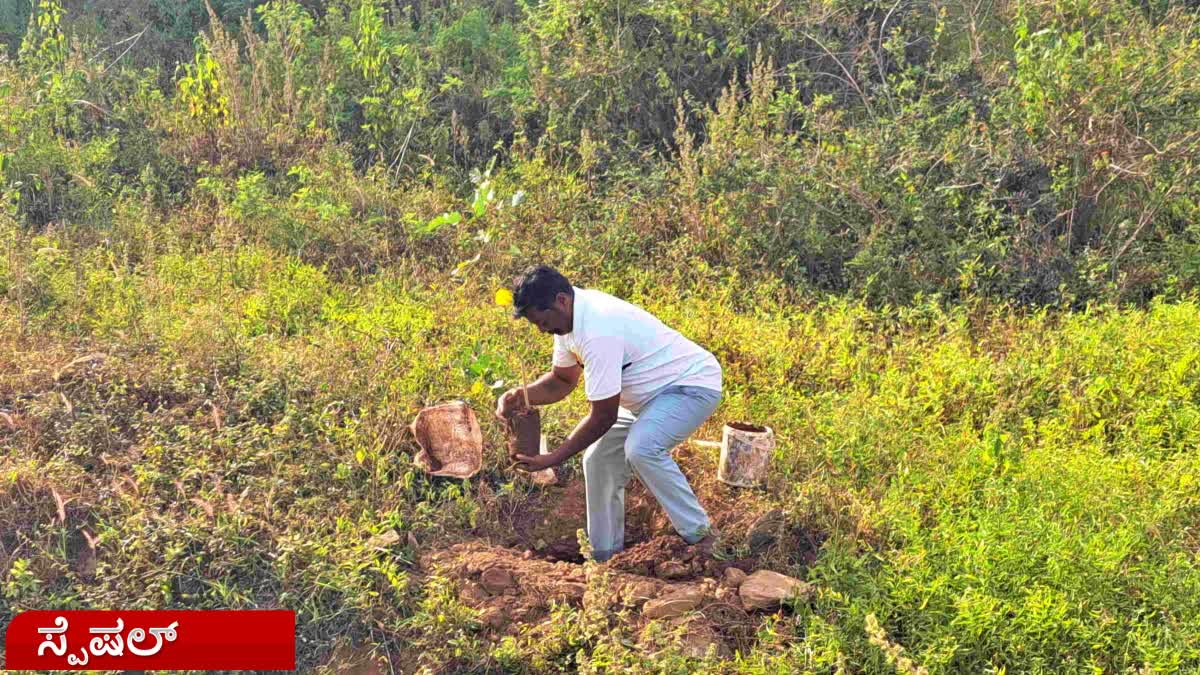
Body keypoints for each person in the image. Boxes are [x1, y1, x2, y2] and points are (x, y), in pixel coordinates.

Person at [495, 265, 722, 562]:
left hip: (689, 386)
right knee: (598, 459)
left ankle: (701, 536)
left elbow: (604, 417)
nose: (542, 330)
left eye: (543, 321)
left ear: (561, 300)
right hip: (645, 401)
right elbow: (562, 381)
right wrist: (521, 395)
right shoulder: (567, 321)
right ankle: (604, 557)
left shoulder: (598, 327)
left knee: (642, 449)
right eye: (536, 324)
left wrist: (552, 458)